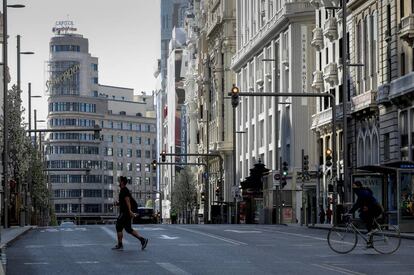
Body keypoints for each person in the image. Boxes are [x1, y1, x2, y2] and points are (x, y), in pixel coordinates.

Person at [112, 176, 148, 250]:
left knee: (118, 226)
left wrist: (130, 211)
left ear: (122, 182)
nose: (118, 181)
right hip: (126, 211)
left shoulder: (124, 190)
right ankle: (143, 240)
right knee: (128, 229)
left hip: (125, 212)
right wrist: (117, 203)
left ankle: (120, 244)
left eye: (119, 180)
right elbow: (124, 202)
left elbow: (128, 201)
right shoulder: (123, 190)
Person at [348, 181, 383, 248]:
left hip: (375, 208)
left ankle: (375, 227)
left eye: (354, 186)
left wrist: (350, 212)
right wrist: (351, 211)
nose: (353, 187)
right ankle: (370, 243)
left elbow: (360, 203)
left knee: (365, 217)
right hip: (372, 208)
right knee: (368, 225)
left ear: (358, 186)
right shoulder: (360, 192)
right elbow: (359, 203)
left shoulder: (362, 193)